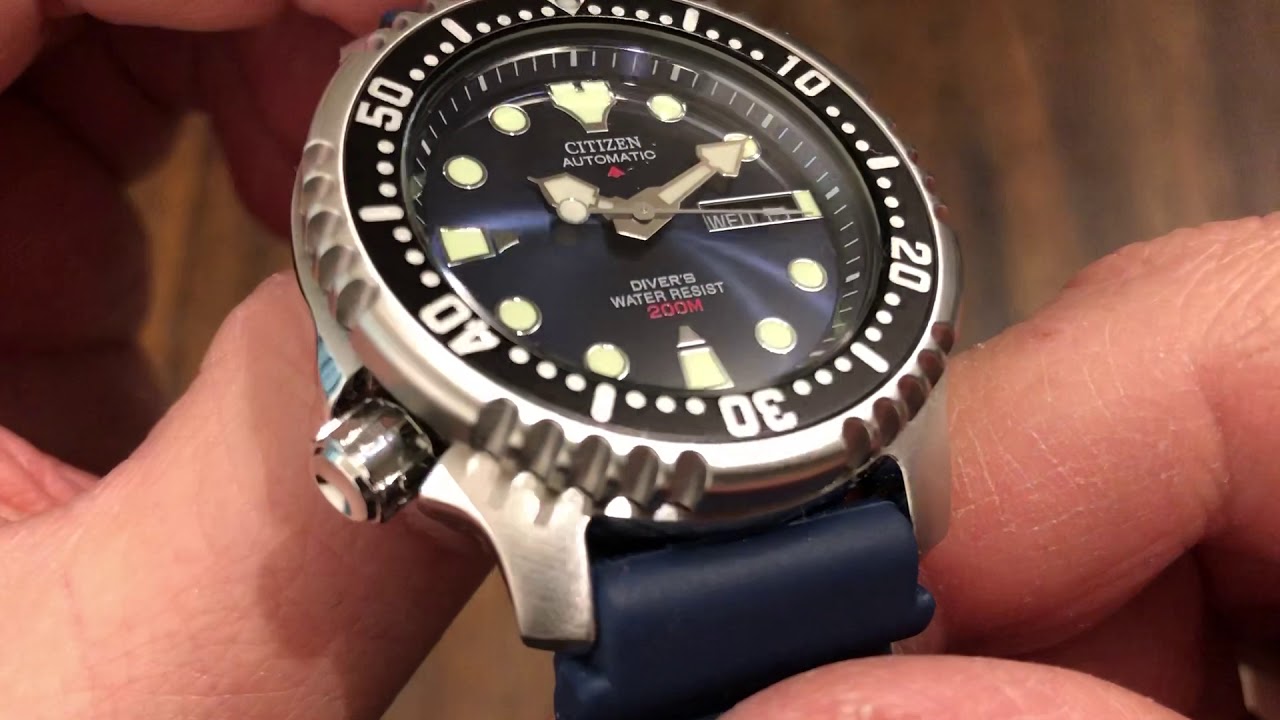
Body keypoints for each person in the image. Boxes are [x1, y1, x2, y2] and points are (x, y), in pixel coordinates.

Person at [1, 3, 1276, 718]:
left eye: (649, 206)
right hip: (616, 503)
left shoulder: (900, 468)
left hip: (845, 448)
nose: (635, 219)